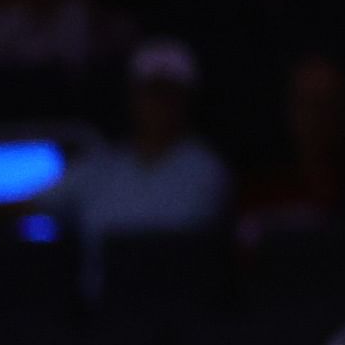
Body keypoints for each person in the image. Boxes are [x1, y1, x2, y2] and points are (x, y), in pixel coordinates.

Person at [65, 40, 234, 235]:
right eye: (150, 93)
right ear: (132, 97)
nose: (158, 105)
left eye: (168, 94)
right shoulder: (100, 165)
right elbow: (38, 202)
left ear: (188, 100)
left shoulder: (207, 170)